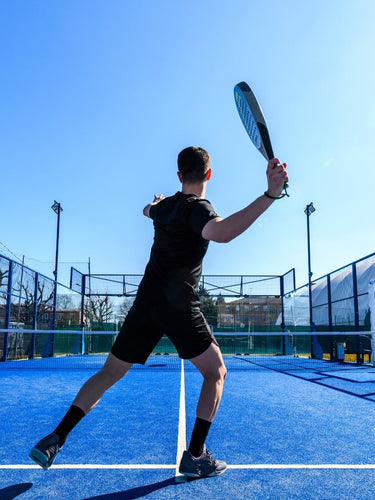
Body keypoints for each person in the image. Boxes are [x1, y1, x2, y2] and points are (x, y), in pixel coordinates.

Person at [29, 146, 288, 478]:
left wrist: (156, 202)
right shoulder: (198, 208)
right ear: (208, 175)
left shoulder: (164, 207)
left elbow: (146, 209)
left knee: (108, 373)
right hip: (178, 306)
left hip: (146, 303)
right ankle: (195, 456)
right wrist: (270, 194)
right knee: (216, 373)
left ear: (180, 176)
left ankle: (57, 437)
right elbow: (221, 233)